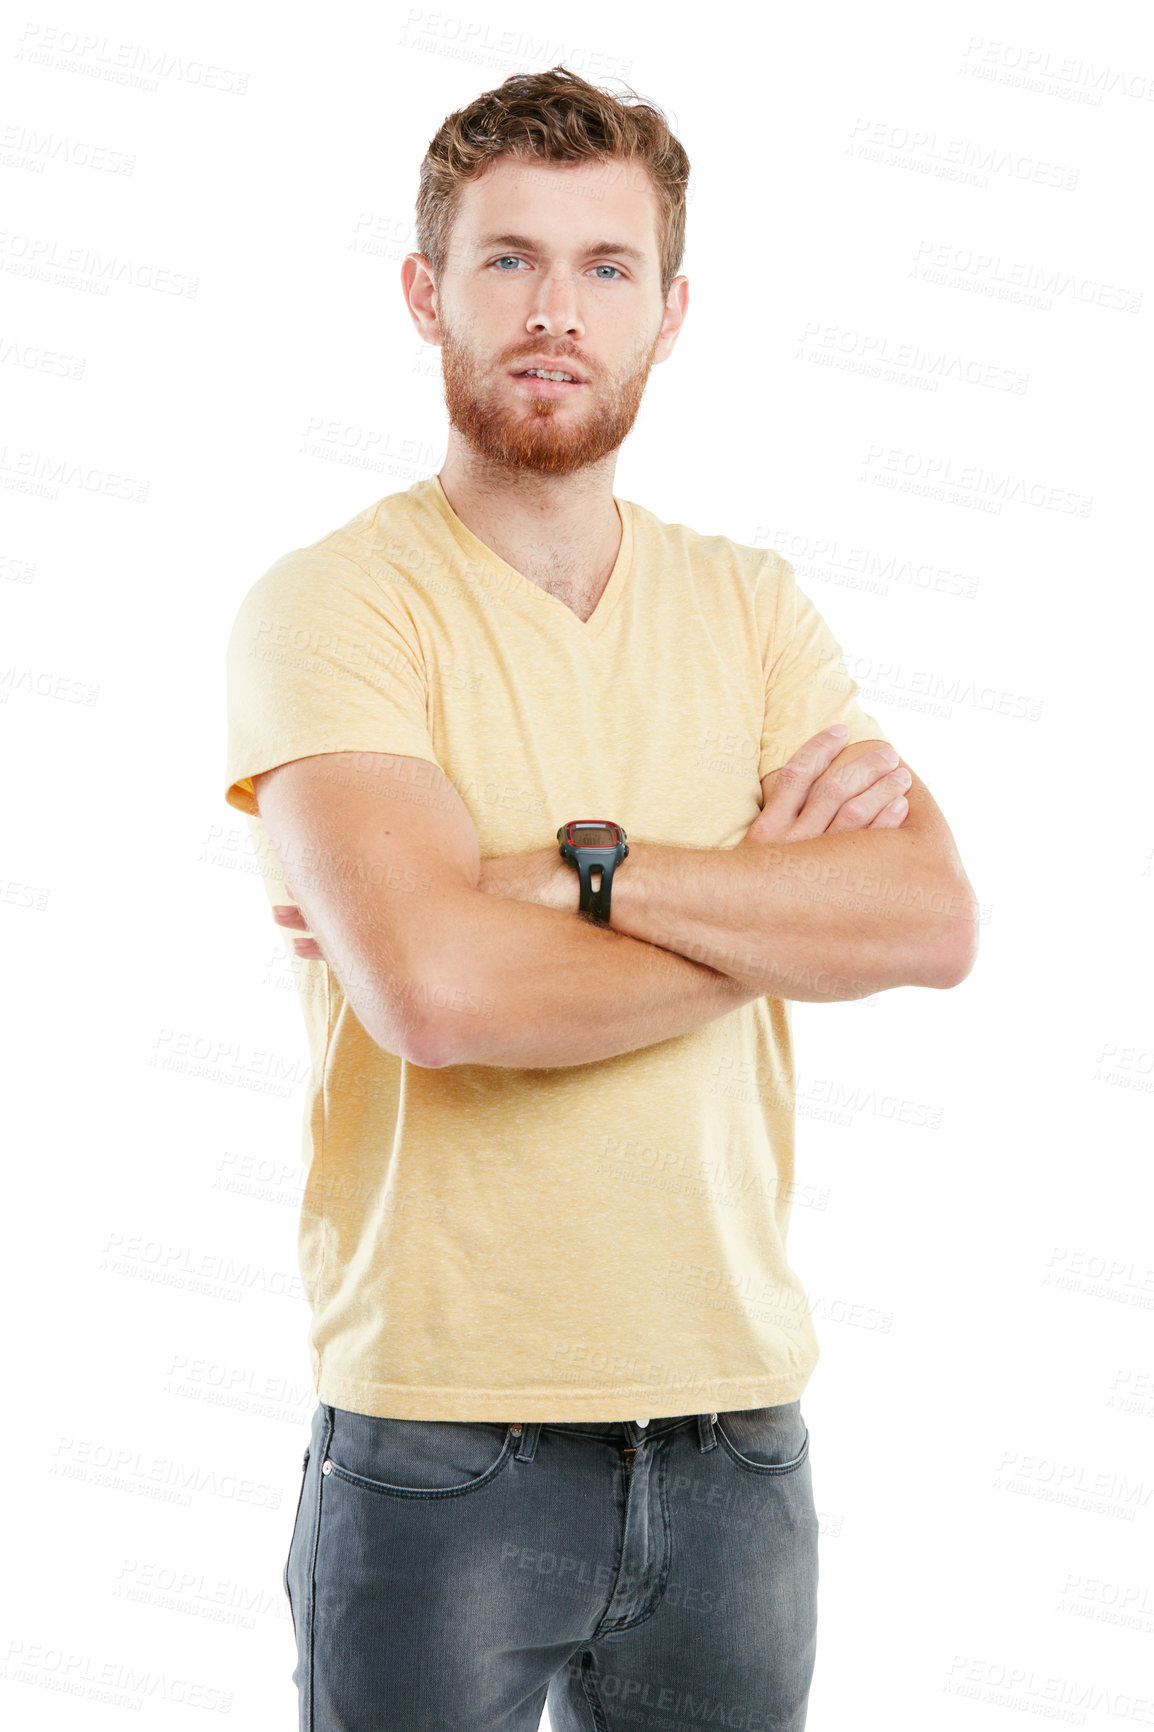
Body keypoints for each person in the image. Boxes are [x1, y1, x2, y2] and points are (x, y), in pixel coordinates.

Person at [224, 64, 977, 1732]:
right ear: (425, 293)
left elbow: (927, 921)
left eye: (604, 266)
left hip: (736, 1429)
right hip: (437, 1435)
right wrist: (769, 921)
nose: (554, 309)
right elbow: (439, 997)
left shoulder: (750, 604)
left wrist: (575, 880)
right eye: (505, 260)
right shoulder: (336, 608)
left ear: (670, 312)